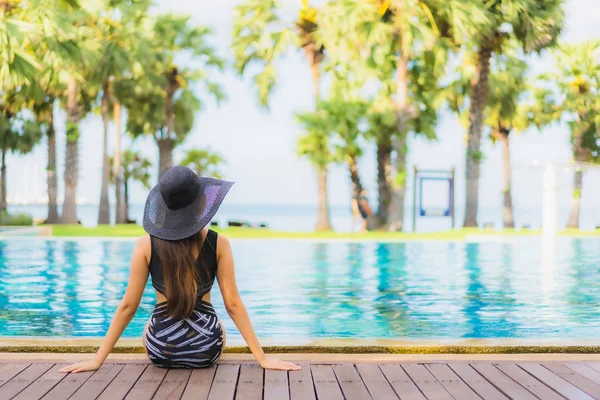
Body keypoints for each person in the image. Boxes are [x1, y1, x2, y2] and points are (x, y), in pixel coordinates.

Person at [60, 166, 300, 373]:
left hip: (160, 350)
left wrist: (97, 359)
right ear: (202, 203)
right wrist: (263, 358)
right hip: (206, 349)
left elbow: (128, 306)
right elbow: (233, 304)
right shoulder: (219, 244)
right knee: (219, 324)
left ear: (164, 206)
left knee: (149, 324)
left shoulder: (145, 245)